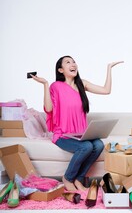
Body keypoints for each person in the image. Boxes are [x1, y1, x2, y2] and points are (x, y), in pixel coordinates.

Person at [31, 55, 124, 191]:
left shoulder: (82, 84)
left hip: (80, 134)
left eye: (74, 62)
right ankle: (68, 178)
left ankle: (78, 179)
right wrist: (45, 84)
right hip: (62, 135)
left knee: (98, 145)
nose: (73, 64)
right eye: (68, 62)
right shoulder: (56, 86)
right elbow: (49, 109)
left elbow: (106, 90)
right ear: (61, 70)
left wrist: (109, 68)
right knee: (86, 147)